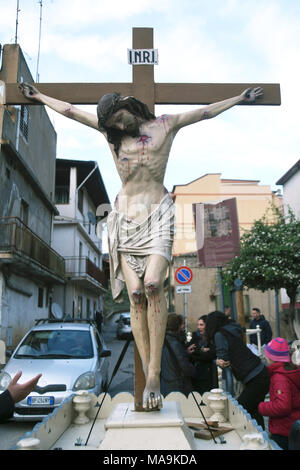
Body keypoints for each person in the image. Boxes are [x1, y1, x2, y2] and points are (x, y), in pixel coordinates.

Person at [19, 82, 263, 410]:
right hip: (125, 221)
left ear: (128, 105)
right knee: (136, 296)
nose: (120, 128)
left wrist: (240, 98)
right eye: (114, 126)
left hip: (158, 216)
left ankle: (154, 372)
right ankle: (150, 372)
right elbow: (71, 112)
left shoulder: (166, 124)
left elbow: (204, 112)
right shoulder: (113, 136)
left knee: (152, 285)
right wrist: (38, 97)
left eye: (121, 120)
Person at [205, 311, 269, 429]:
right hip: (260, 371)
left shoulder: (219, 334)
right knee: (254, 410)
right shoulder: (232, 329)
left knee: (240, 409)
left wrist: (217, 361)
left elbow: (223, 359)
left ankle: (256, 437)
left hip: (254, 376)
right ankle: (261, 437)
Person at [258, 338, 300, 450]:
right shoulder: (290, 370)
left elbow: (283, 406)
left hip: (284, 430)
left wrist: (262, 407)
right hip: (292, 427)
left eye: (266, 354)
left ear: (271, 358)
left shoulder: (279, 378)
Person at [160, 313, 196, 397]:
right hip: (176, 386)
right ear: (177, 326)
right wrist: (194, 370)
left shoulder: (163, 340)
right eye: (182, 324)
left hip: (165, 384)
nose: (184, 326)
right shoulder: (175, 343)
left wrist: (185, 352)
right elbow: (185, 367)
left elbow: (170, 357)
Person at [189, 315, 218, 395]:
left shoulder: (212, 338)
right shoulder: (195, 336)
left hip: (208, 373)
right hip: (196, 373)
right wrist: (201, 350)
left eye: (201, 325)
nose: (199, 327)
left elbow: (211, 355)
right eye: (198, 325)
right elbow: (190, 350)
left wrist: (196, 352)